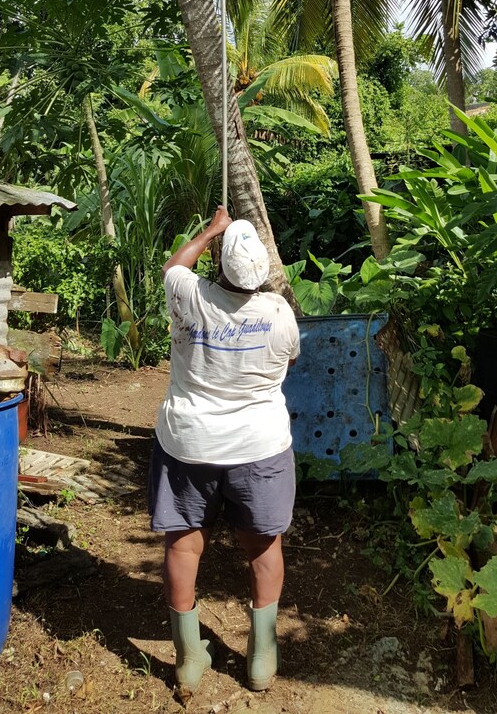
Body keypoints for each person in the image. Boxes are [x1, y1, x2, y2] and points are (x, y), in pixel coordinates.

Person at [148, 206, 299, 699]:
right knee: (263, 546)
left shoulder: (189, 296)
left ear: (220, 265)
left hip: (189, 444)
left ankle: (190, 661)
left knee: (184, 545)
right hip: (260, 448)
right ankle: (260, 659)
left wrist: (211, 230)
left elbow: (174, 266)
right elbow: (289, 361)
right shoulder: (280, 314)